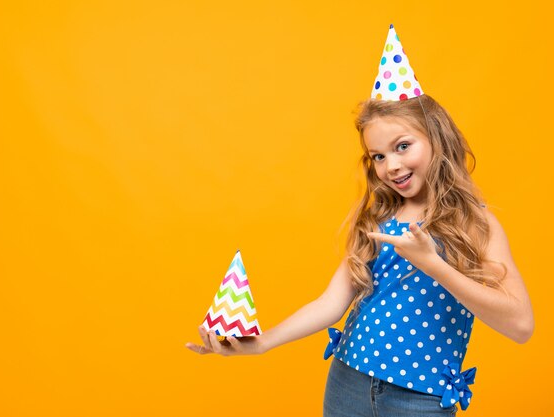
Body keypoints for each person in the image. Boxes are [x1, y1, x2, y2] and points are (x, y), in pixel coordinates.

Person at [185, 24, 534, 416]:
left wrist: (434, 265)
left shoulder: (473, 223)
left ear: (437, 138)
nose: (392, 166)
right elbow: (331, 303)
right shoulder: (379, 219)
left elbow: (520, 325)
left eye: (403, 146)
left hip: (417, 401)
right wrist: (262, 342)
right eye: (379, 156)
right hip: (347, 384)